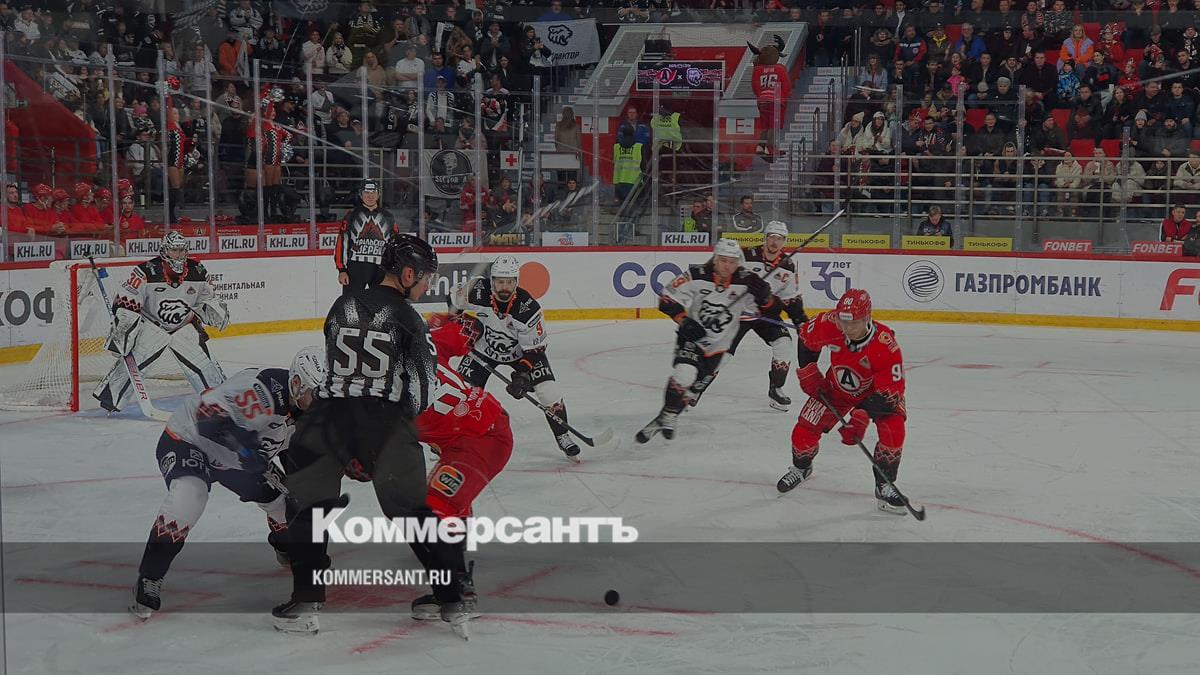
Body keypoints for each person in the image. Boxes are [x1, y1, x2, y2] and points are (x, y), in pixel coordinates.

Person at [273, 235, 469, 637]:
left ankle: (305, 602)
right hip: (384, 420)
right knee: (413, 514)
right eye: (426, 277)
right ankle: (453, 600)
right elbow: (422, 388)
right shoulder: (409, 318)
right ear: (408, 273)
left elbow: (334, 366)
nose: (428, 285)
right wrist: (394, 430)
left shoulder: (341, 305)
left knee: (308, 510)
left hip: (327, 419)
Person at [129, 347, 326, 619]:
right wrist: (244, 449)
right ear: (296, 383)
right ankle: (149, 577)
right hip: (189, 441)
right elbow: (206, 417)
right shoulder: (263, 391)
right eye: (315, 393)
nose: (322, 402)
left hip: (237, 460)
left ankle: (285, 547)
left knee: (284, 503)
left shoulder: (307, 411)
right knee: (190, 496)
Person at [408, 311, 515, 622]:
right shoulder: (427, 344)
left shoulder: (387, 395)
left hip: (483, 439)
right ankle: (455, 561)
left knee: (435, 505)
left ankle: (458, 589)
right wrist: (453, 320)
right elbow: (471, 327)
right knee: (447, 500)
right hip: (472, 436)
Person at [779, 288, 910, 513]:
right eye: (843, 321)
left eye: (854, 323)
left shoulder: (885, 345)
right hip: (836, 389)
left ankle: (884, 485)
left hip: (876, 395)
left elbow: (891, 394)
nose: (847, 328)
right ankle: (802, 468)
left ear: (867, 319)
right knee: (803, 432)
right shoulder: (829, 323)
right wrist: (809, 370)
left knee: (894, 430)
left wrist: (861, 415)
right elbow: (806, 339)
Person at [636, 238, 774, 443]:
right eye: (723, 260)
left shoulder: (748, 281)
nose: (727, 266)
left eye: (732, 262)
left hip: (720, 346)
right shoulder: (697, 274)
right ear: (715, 259)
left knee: (694, 388)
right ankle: (670, 414)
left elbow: (767, 309)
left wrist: (765, 296)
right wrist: (684, 321)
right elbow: (666, 298)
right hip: (694, 337)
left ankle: (667, 413)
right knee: (684, 375)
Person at [451, 256, 582, 460]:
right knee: (460, 392)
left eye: (510, 282)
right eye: (500, 282)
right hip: (483, 349)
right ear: (492, 281)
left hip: (521, 353)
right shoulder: (476, 290)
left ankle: (562, 435)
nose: (505, 287)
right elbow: (453, 301)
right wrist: (461, 323)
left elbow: (535, 350)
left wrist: (522, 376)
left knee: (548, 391)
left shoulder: (528, 308)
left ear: (516, 282)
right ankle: (452, 441)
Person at [93, 232, 229, 413]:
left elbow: (207, 298)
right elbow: (127, 300)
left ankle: (218, 402)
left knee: (204, 365)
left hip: (183, 327)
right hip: (152, 326)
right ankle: (110, 401)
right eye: (174, 250)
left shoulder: (197, 270)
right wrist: (122, 332)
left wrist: (212, 311)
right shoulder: (146, 271)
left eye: (182, 250)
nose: (179, 254)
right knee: (135, 364)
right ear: (164, 251)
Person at [718, 221, 807, 411]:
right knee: (722, 354)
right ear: (765, 238)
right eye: (772, 237)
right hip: (739, 311)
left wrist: (800, 320)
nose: (775, 242)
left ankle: (776, 390)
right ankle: (695, 388)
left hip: (766, 313)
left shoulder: (788, 265)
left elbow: (790, 297)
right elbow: (725, 276)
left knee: (784, 343)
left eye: (779, 238)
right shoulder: (746, 255)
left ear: (784, 242)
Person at [334, 180, 401, 295]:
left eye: (373, 192)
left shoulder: (388, 217)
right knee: (351, 302)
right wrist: (342, 270)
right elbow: (342, 242)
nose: (370, 196)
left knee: (380, 303)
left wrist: (394, 269)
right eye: (366, 192)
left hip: (380, 268)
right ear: (361, 194)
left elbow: (395, 243)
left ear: (378, 194)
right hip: (356, 267)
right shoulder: (351, 215)